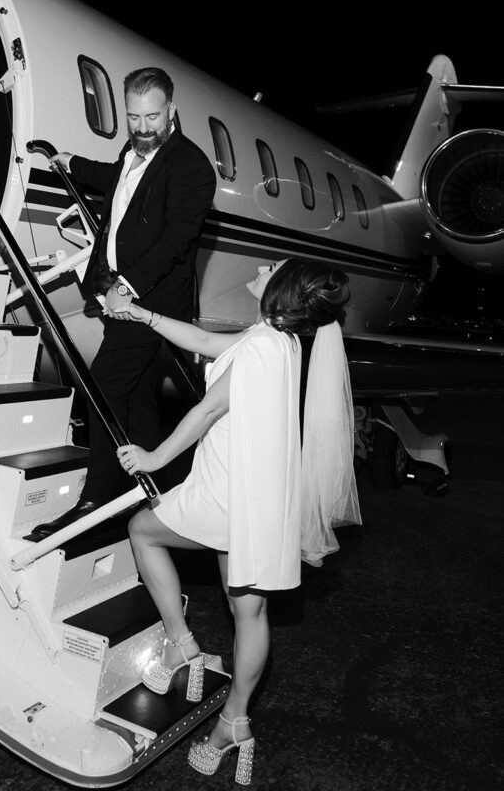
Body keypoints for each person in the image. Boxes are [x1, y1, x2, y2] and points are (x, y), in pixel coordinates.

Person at [114, 258, 361, 785]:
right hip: (261, 499)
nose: (263, 266)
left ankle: (182, 644)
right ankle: (235, 723)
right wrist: (140, 314)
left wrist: (153, 458)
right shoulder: (279, 341)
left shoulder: (257, 346)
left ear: (284, 291)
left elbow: (206, 411)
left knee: (142, 530)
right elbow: (203, 343)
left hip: (226, 493)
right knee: (247, 611)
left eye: (274, 268)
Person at [34, 67, 216, 534]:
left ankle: (93, 502)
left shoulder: (191, 167)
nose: (142, 126)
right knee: (135, 403)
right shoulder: (132, 150)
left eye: (152, 116)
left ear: (172, 110)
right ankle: (154, 498)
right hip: (117, 296)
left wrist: (127, 285)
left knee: (102, 389)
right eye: (134, 116)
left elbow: (176, 240)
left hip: (149, 304)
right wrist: (69, 162)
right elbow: (116, 179)